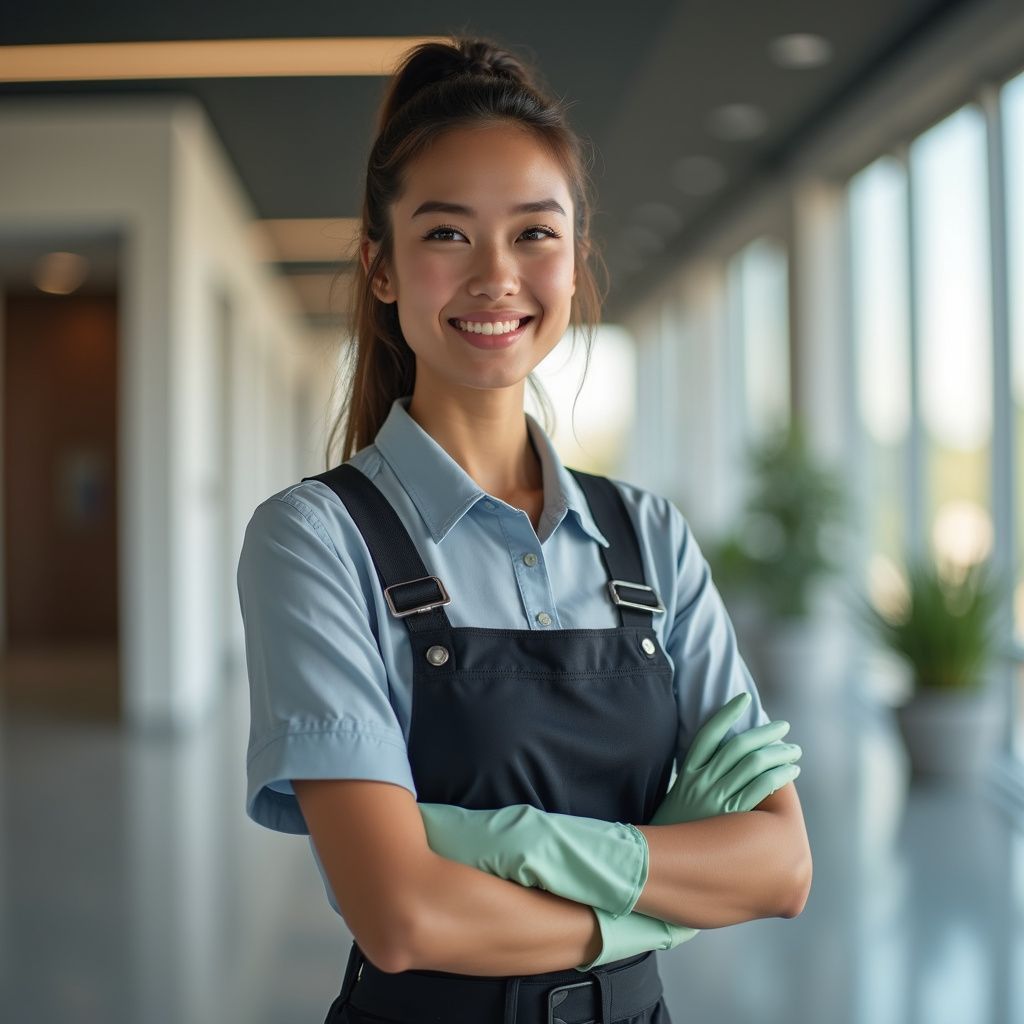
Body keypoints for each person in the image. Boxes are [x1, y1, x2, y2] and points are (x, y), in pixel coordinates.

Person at [236, 35, 812, 1024]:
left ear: (576, 259)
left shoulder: (649, 537)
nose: (496, 276)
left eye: (534, 233)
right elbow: (401, 914)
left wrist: (501, 843)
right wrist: (660, 898)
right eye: (447, 234)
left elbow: (779, 864)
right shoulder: (316, 540)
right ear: (380, 265)